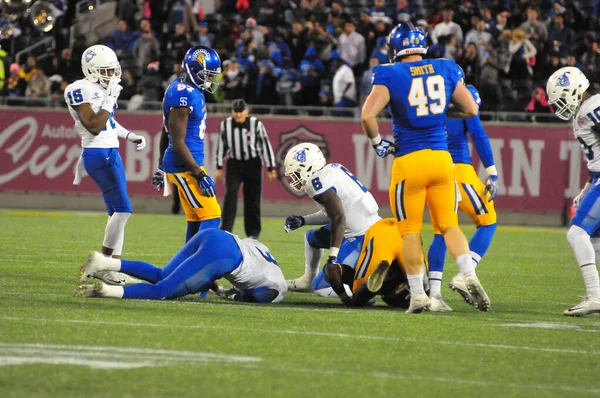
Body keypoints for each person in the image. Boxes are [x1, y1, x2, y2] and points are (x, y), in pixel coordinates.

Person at [360, 22, 489, 313]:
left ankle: (418, 294)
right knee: (449, 226)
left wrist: (378, 142)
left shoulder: (390, 73)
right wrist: (443, 111)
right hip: (443, 160)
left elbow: (368, 116)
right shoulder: (445, 67)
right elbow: (470, 109)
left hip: (410, 161)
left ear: (396, 47)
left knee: (409, 230)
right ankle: (468, 273)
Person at [64, 44, 146, 286]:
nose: (111, 75)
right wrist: (110, 99)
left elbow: (109, 123)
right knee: (123, 210)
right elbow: (94, 125)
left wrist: (130, 135)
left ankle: (112, 267)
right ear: (90, 70)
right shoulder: (78, 89)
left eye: (113, 70)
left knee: (116, 212)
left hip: (110, 151)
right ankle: (103, 264)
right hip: (97, 153)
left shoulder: (100, 88)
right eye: (105, 71)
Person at [427, 75, 499, 312]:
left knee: (440, 231)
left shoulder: (426, 99)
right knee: (487, 221)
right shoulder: (466, 93)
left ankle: (434, 294)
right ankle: (464, 274)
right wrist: (492, 172)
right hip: (459, 169)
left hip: (433, 169)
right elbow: (477, 134)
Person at [75, 228, 287, 304]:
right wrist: (230, 295)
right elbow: (259, 296)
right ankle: (107, 291)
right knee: (162, 291)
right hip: (223, 255)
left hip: (216, 235)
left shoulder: (270, 262)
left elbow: (246, 251)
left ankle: (103, 262)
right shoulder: (277, 289)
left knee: (162, 275)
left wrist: (214, 282)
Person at [283, 143, 381, 298]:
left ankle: (359, 293)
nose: (294, 178)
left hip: (360, 239)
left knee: (320, 287)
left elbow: (338, 217)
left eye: (296, 173)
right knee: (311, 238)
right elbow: (334, 212)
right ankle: (306, 280)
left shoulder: (316, 182)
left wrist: (332, 257)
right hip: (371, 227)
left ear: (307, 168)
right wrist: (303, 220)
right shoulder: (333, 169)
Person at [151, 46, 222, 243]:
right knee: (212, 216)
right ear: (193, 70)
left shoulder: (187, 89)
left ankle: (182, 267)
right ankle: (195, 265)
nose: (210, 80)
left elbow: (167, 132)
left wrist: (160, 164)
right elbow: (178, 142)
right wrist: (199, 174)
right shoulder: (184, 94)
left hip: (186, 164)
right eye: (207, 74)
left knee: (196, 219)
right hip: (184, 166)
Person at [546, 66, 600, 316]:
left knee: (576, 234)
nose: (558, 106)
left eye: (560, 99)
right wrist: (587, 188)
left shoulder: (592, 108)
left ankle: (595, 297)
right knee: (596, 239)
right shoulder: (583, 112)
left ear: (574, 91)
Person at [215, 99, 277, 239]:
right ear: (232, 112)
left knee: (253, 198)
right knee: (230, 195)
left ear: (246, 111)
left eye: (240, 112)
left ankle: (253, 233)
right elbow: (220, 147)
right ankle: (226, 229)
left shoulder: (256, 124)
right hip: (234, 164)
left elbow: (265, 146)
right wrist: (219, 167)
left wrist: (270, 166)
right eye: (235, 112)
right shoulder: (225, 125)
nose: (238, 115)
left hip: (253, 164)